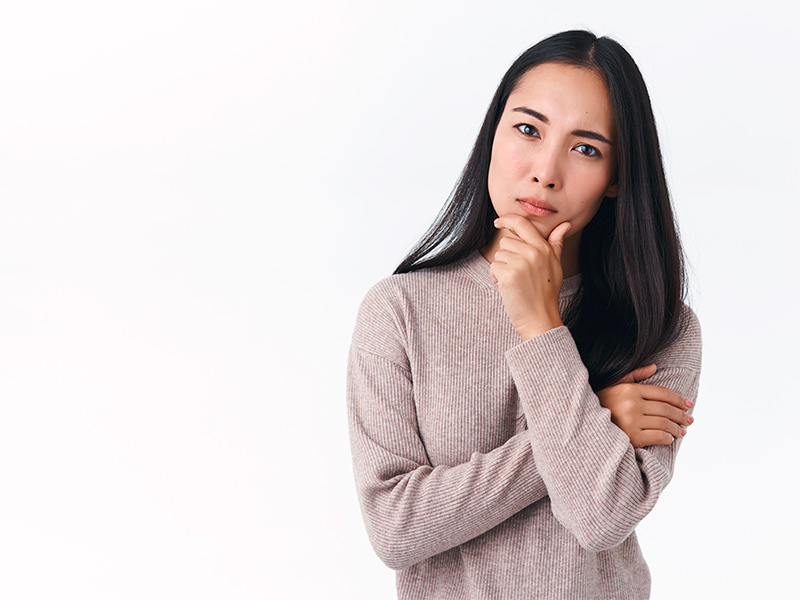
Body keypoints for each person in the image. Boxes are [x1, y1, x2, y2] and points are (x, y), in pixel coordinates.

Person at [347, 30, 701, 600]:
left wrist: (542, 326)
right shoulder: (400, 310)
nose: (545, 171)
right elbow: (395, 528)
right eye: (528, 129)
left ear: (616, 179)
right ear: (493, 134)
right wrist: (594, 419)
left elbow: (600, 518)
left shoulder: (660, 326)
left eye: (586, 148)